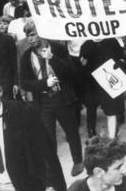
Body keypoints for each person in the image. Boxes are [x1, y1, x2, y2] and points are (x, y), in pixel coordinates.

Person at [19, 22, 84, 176]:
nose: (31, 38)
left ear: (41, 32)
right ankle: (53, 166)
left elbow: (71, 73)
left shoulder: (58, 48)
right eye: (28, 35)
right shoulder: (27, 56)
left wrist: (52, 58)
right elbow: (24, 82)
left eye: (33, 34)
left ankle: (78, 160)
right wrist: (43, 84)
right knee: (48, 136)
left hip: (62, 97)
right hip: (43, 102)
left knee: (71, 131)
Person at [79, 37, 126, 139]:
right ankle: (91, 131)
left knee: (111, 112)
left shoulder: (111, 41)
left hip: (109, 84)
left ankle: (112, 139)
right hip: (92, 85)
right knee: (91, 108)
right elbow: (82, 65)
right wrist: (84, 59)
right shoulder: (86, 45)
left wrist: (120, 63)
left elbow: (121, 56)